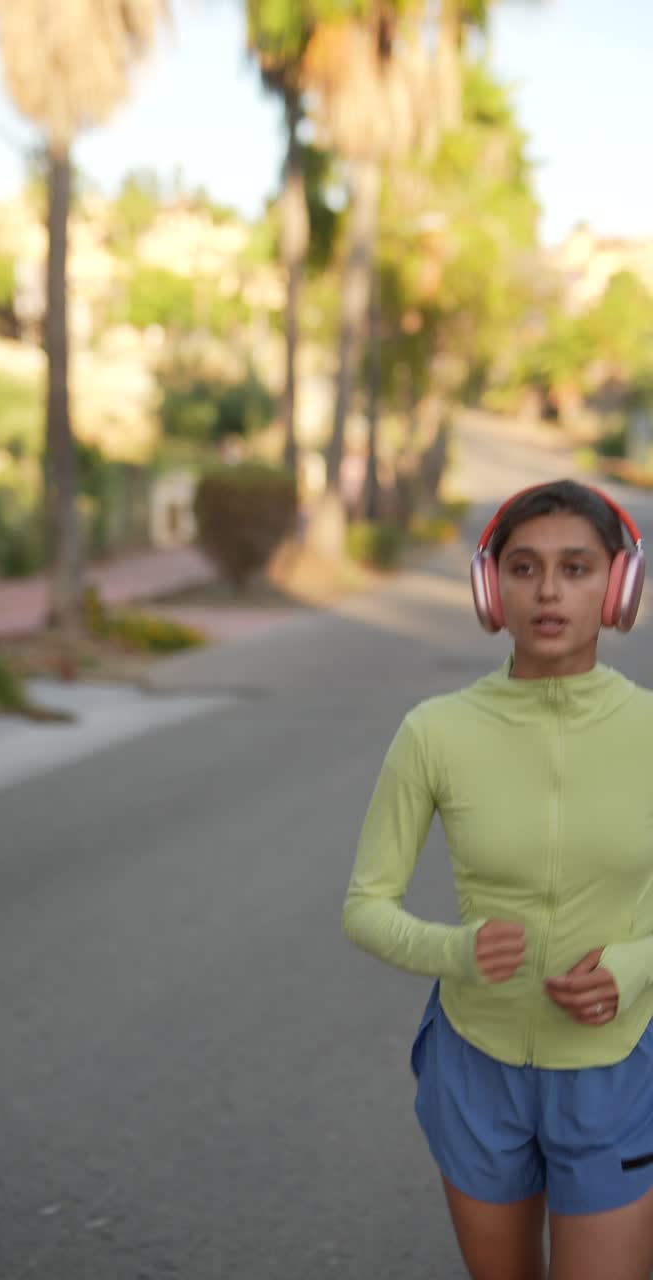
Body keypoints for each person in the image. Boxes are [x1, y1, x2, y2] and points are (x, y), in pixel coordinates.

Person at [342, 479, 653, 1280]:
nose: (548, 591)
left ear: (619, 586)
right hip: (476, 1068)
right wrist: (457, 951)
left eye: (577, 568)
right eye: (523, 568)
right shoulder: (433, 732)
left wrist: (635, 964)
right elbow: (365, 906)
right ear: (491, 588)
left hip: (616, 1069)